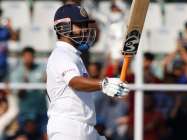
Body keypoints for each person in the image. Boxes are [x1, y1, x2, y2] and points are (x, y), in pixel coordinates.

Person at [46, 4, 129, 140]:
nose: (85, 30)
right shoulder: (62, 54)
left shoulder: (73, 55)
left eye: (85, 25)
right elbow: (75, 82)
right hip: (69, 129)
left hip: (82, 128)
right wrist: (104, 84)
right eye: (80, 25)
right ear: (63, 28)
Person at [10, 47, 47, 139]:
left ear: (33, 57)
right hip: (25, 113)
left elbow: (47, 83)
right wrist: (24, 84)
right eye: (26, 56)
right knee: (23, 137)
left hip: (41, 111)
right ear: (23, 57)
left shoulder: (42, 68)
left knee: (47, 135)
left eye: (30, 56)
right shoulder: (16, 73)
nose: (28, 58)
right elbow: (19, 95)